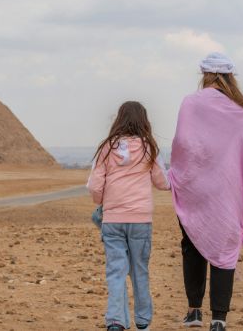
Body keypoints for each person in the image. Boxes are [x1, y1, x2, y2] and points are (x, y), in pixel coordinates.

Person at [168, 52, 243, 331]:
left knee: (193, 247)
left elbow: (183, 143)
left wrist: (186, 172)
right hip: (228, 192)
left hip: (196, 188)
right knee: (225, 251)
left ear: (204, 74)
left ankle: (194, 311)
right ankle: (219, 319)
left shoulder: (191, 103)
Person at [87, 101, 171, 331]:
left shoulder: (107, 148)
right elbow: (162, 182)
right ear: (144, 121)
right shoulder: (148, 148)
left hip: (113, 220)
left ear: (119, 119)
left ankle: (116, 321)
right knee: (140, 271)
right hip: (140, 220)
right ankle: (143, 321)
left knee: (116, 272)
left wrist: (102, 203)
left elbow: (95, 185)